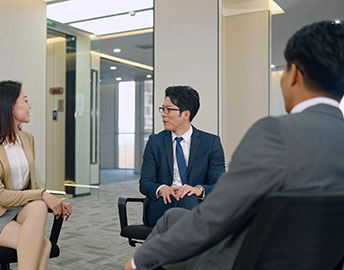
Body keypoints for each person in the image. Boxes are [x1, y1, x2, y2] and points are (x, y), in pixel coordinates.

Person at [125, 20, 344, 270]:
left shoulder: (274, 132)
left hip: (248, 259)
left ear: (293, 73)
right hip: (314, 259)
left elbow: (217, 216)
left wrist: (137, 261)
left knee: (172, 237)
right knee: (174, 217)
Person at [0, 80, 71, 270]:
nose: (30, 105)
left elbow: (32, 185)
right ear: (10, 106)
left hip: (20, 210)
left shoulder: (27, 139)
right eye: (25, 100)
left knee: (39, 206)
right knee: (44, 245)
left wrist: (51, 198)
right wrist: (42, 195)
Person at [139, 86, 225, 227]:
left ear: (186, 114)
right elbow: (145, 183)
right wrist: (162, 188)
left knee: (188, 198)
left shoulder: (211, 143)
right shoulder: (155, 142)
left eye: (169, 109)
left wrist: (197, 190)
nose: (163, 114)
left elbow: (219, 184)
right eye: (163, 109)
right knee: (186, 208)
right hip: (162, 205)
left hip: (195, 203)